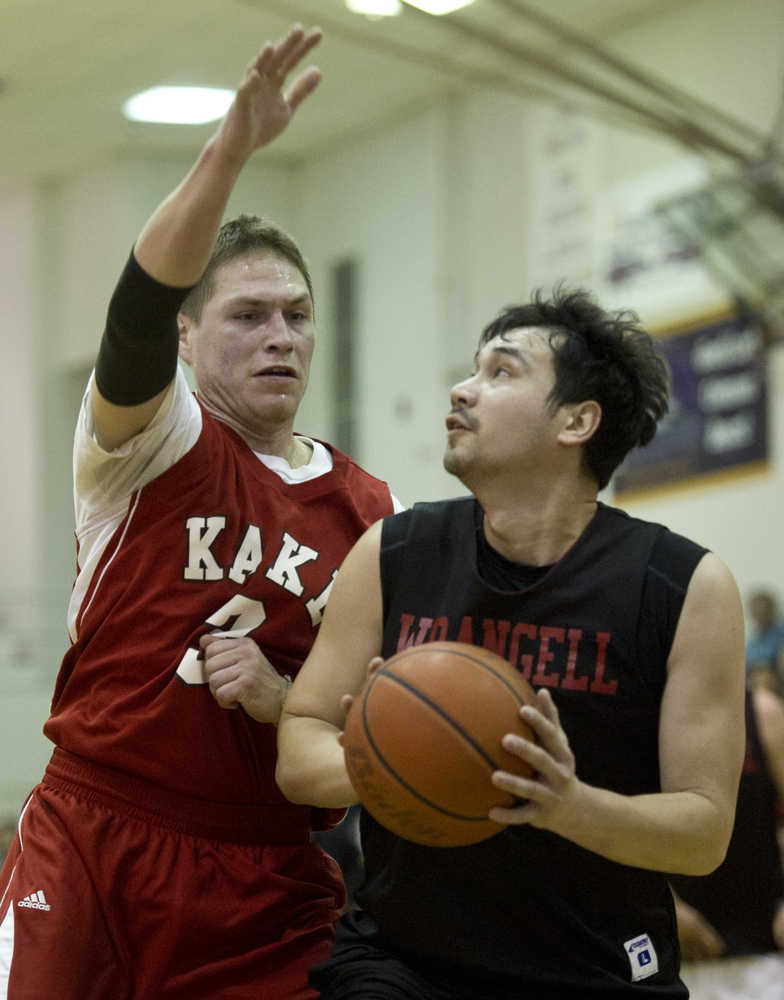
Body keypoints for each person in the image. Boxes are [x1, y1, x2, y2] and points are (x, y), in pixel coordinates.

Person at [0, 25, 400, 1000]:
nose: (280, 336)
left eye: (297, 314)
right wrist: (230, 151)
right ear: (187, 336)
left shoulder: (374, 512)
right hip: (98, 835)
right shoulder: (153, 439)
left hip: (263, 873)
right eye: (247, 315)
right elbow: (133, 314)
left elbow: (386, 728)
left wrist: (281, 700)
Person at [276, 288, 746, 999]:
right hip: (405, 961)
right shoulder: (394, 552)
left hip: (594, 967)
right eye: (472, 369)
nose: (462, 389)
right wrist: (386, 761)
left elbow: (704, 833)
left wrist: (570, 806)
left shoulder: (683, 586)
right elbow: (300, 746)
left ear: (577, 421)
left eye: (501, 372)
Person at [670, 684, 784, 1000]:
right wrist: (667, 905)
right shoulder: (641, 710)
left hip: (762, 951)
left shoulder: (763, 712)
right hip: (672, 952)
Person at [745, 589, 784, 694]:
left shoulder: (780, 634)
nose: (760, 612)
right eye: (755, 608)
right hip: (757, 689)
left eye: (763, 607)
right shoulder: (753, 641)